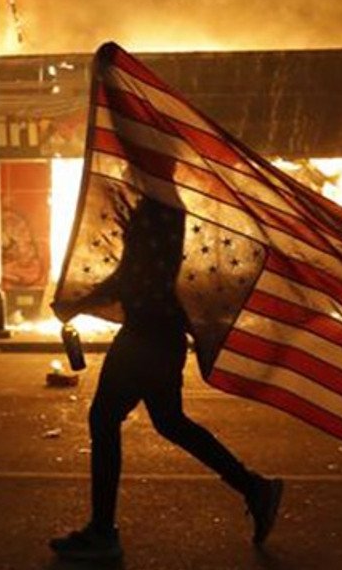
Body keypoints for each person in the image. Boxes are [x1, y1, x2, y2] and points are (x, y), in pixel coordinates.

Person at [49, 194, 283, 562]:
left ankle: (102, 532)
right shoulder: (161, 204)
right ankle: (253, 487)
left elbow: (133, 276)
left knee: (105, 419)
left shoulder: (158, 207)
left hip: (147, 336)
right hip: (160, 334)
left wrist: (78, 303)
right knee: (169, 421)